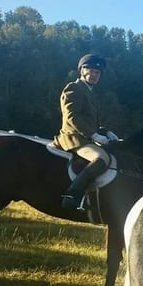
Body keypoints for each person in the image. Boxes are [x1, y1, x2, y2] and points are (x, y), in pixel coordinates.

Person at [54, 54, 118, 210]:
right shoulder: (74, 88)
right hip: (74, 138)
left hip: (86, 138)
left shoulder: (90, 93)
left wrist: (106, 132)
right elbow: (71, 116)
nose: (95, 75)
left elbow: (90, 121)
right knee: (102, 158)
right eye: (91, 71)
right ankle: (72, 195)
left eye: (98, 73)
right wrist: (93, 135)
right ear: (82, 70)